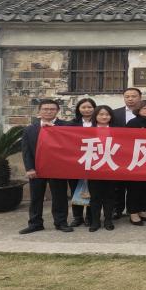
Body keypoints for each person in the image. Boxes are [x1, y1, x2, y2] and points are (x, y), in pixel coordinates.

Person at [19, 99, 72, 234]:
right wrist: (29, 168)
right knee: (36, 197)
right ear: (39, 111)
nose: (48, 111)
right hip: (37, 169)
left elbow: (70, 146)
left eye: (52, 109)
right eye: (45, 109)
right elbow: (26, 151)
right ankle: (35, 223)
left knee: (60, 197)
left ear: (57, 111)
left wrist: (54, 130)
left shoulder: (66, 126)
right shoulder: (30, 129)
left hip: (57, 168)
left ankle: (61, 222)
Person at [111, 87, 143, 218]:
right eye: (127, 96)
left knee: (135, 184)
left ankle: (133, 210)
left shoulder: (145, 111)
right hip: (119, 153)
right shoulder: (115, 113)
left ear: (140, 98)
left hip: (139, 154)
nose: (130, 99)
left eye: (134, 96)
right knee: (118, 184)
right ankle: (117, 209)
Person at [87, 105, 117, 232]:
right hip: (93, 168)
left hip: (111, 167)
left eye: (107, 114)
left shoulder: (118, 131)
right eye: (101, 114)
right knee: (95, 196)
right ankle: (95, 221)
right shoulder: (88, 131)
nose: (104, 117)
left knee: (109, 195)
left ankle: (108, 220)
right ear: (95, 116)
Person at [68, 97, 97, 227]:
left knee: (93, 189)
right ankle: (77, 217)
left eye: (90, 107)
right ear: (79, 109)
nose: (87, 110)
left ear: (94, 108)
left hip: (95, 160)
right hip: (76, 161)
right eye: (83, 107)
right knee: (75, 188)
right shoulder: (71, 124)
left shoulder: (99, 123)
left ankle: (90, 217)